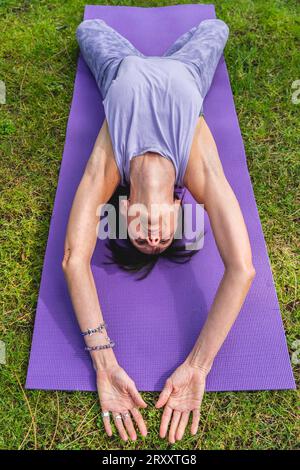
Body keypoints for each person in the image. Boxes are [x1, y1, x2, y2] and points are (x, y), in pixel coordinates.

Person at [61, 17, 256, 444]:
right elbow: (242, 268)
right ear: (176, 205)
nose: (152, 239)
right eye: (163, 239)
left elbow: (74, 260)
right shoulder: (199, 169)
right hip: (187, 69)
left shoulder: (110, 167)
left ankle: (146, 56)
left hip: (121, 67)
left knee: (88, 29)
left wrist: (105, 363)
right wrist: (198, 366)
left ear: (125, 207)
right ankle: (172, 53)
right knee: (216, 26)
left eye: (139, 239)